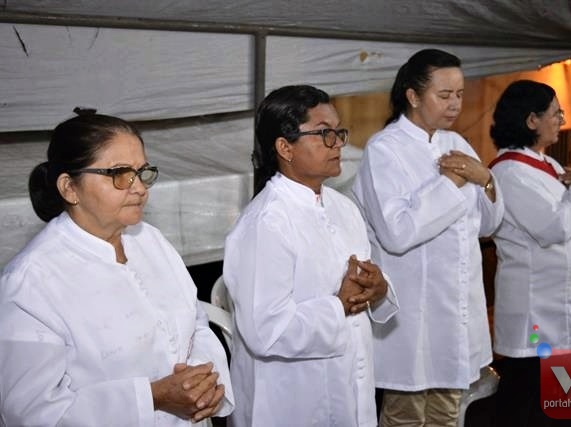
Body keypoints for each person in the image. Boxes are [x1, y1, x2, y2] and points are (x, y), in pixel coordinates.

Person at [0, 112, 234, 426]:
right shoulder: (31, 282)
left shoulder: (150, 240)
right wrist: (152, 397)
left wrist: (205, 383)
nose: (140, 188)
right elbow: (31, 412)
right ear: (70, 188)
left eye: (142, 172)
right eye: (120, 174)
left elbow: (196, 321)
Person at [223, 84, 399, 426]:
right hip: (290, 397)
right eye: (324, 134)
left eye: (338, 132)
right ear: (285, 148)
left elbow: (360, 284)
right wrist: (339, 306)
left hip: (348, 381)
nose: (338, 143)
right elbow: (265, 330)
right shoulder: (265, 223)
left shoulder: (344, 208)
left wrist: (378, 288)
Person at [351, 48, 504, 427]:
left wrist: (486, 179)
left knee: (447, 412)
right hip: (414, 309)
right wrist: (450, 183)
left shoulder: (457, 144)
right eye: (444, 95)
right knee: (405, 414)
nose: (455, 104)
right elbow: (397, 232)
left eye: (460, 94)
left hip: (456, 305)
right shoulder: (385, 149)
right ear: (414, 96)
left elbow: (487, 225)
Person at [488, 80, 571, 427]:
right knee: (531, 407)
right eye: (556, 113)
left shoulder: (548, 164)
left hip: (565, 309)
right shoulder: (509, 172)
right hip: (537, 314)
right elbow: (556, 226)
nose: (562, 120)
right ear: (531, 120)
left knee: (567, 408)